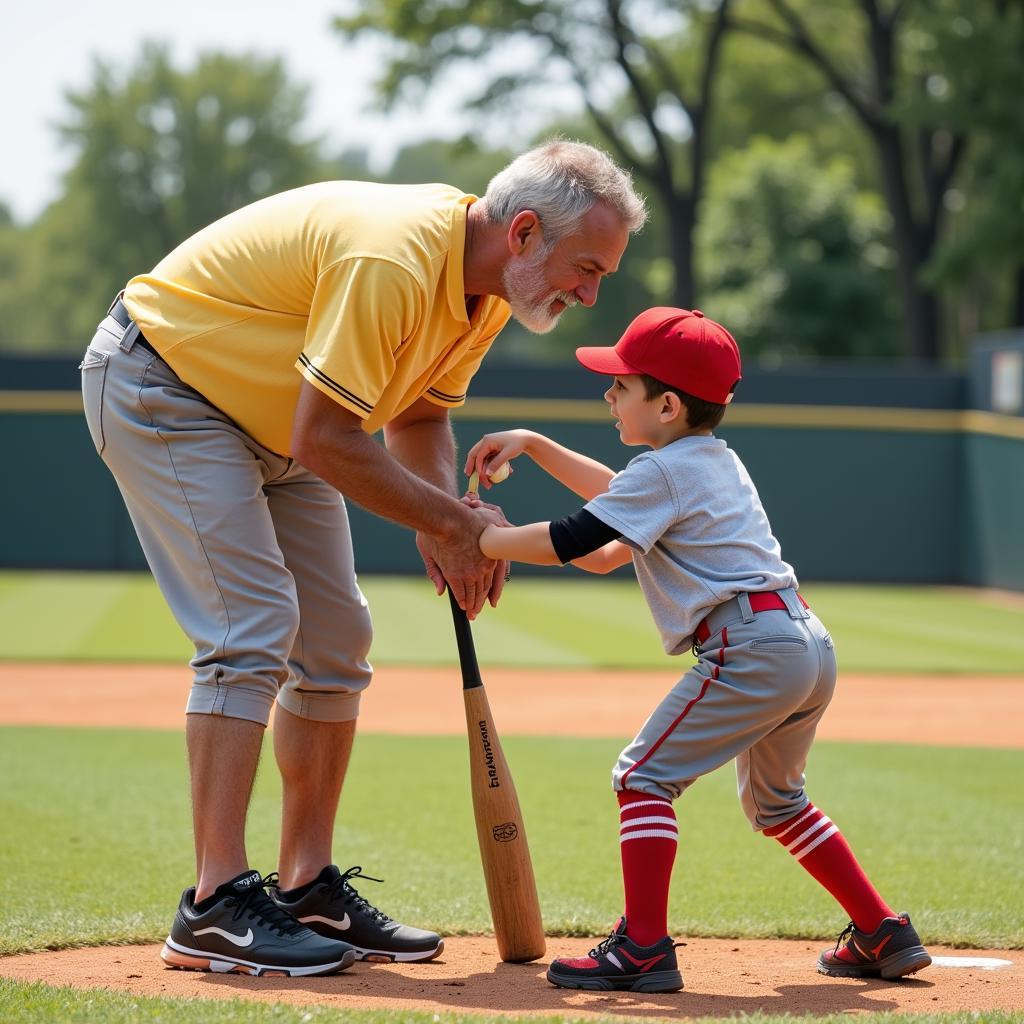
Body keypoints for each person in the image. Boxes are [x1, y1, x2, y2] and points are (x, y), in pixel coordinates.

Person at [79, 140, 646, 978]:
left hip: (273, 427)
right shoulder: (397, 258)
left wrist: (445, 517)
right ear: (524, 231)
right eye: (587, 268)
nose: (591, 294)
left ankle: (305, 886)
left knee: (337, 641)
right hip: (167, 384)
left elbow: (416, 419)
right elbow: (328, 435)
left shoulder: (485, 293)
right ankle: (213, 905)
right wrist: (452, 524)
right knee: (253, 627)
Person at [465, 307, 932, 993]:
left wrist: (477, 538)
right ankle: (881, 931)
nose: (609, 393)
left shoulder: (666, 474)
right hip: (804, 644)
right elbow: (608, 543)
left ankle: (645, 949)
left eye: (621, 384)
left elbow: (573, 539)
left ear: (667, 403)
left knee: (641, 778)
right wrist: (534, 444)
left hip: (751, 647)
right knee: (780, 805)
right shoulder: (706, 461)